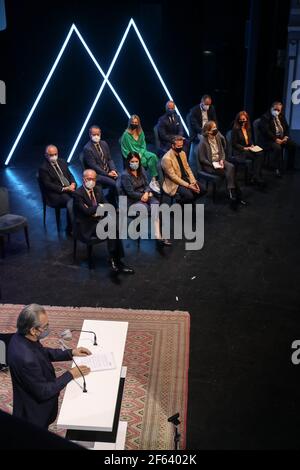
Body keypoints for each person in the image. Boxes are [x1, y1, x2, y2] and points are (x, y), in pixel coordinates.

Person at [7, 304, 91, 429]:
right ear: (33, 330)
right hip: (34, 415)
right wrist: (70, 374)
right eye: (45, 326)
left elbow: (42, 352)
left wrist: (70, 352)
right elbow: (43, 392)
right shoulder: (26, 359)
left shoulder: (21, 337)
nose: (48, 328)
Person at [73, 169, 134, 274]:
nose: (91, 181)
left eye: (93, 179)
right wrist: (98, 207)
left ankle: (116, 260)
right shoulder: (78, 194)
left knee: (114, 228)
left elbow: (107, 206)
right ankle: (114, 260)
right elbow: (87, 212)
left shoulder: (98, 190)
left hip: (98, 220)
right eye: (88, 179)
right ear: (83, 179)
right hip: (87, 225)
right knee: (112, 229)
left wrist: (96, 209)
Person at [120, 152, 171, 247]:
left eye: (136, 161)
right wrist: (142, 196)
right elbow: (130, 193)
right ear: (128, 162)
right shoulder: (125, 175)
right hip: (132, 199)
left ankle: (157, 235)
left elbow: (147, 184)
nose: (134, 163)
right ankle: (158, 235)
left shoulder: (141, 169)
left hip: (145, 194)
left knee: (155, 204)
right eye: (132, 161)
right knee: (147, 208)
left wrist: (146, 193)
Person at [198, 121, 245, 208]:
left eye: (216, 127)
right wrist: (213, 164)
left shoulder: (217, 137)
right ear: (208, 131)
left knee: (231, 167)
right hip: (210, 164)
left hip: (219, 161)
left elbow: (222, 151)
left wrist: (222, 160)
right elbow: (202, 159)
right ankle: (235, 194)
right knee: (229, 173)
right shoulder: (203, 142)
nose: (216, 130)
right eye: (213, 128)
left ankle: (232, 192)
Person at [39, 145, 76, 233]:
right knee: (70, 201)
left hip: (68, 188)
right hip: (55, 193)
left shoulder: (62, 162)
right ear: (46, 155)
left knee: (80, 196)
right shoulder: (43, 168)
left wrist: (73, 183)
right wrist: (65, 189)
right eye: (51, 155)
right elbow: (48, 185)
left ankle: (80, 223)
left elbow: (70, 175)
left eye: (55, 154)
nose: (54, 157)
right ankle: (70, 229)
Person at [120, 115, 160, 194]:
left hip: (142, 152)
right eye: (133, 122)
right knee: (144, 162)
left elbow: (143, 145)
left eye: (136, 122)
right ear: (130, 123)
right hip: (132, 155)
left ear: (138, 123)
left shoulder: (141, 132)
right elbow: (124, 149)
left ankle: (153, 180)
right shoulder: (126, 135)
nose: (134, 124)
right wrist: (134, 157)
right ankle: (145, 184)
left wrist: (141, 154)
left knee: (153, 156)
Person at [82, 126, 119, 207]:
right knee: (115, 184)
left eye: (97, 134)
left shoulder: (104, 143)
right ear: (90, 135)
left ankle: (112, 199)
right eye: (94, 134)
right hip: (97, 175)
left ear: (100, 134)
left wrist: (113, 170)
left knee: (122, 180)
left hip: (108, 171)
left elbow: (109, 159)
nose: (96, 136)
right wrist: (107, 174)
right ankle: (115, 205)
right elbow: (94, 166)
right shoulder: (87, 149)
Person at [259, 101, 297, 177]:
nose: (277, 111)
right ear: (271, 108)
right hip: (269, 140)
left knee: (293, 145)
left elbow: (286, 127)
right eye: (275, 109)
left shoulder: (281, 116)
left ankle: (289, 167)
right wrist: (276, 139)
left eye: (279, 110)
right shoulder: (265, 117)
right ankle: (277, 169)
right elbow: (266, 131)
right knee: (277, 148)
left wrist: (286, 137)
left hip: (281, 138)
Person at [161, 136, 201, 204]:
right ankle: (179, 205)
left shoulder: (182, 153)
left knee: (202, 190)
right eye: (178, 146)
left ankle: (189, 204)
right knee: (189, 196)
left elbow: (187, 168)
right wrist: (188, 185)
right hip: (174, 183)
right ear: (173, 146)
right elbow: (173, 177)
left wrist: (193, 181)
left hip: (185, 178)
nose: (181, 147)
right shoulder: (166, 159)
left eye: (182, 145)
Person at [231, 111, 265, 186]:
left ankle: (255, 175)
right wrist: (244, 148)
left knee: (261, 153)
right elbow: (234, 144)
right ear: (238, 120)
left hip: (249, 148)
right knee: (257, 157)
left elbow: (250, 140)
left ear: (247, 120)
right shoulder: (235, 129)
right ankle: (255, 176)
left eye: (244, 119)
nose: (243, 121)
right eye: (241, 120)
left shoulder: (248, 128)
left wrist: (252, 145)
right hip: (239, 151)